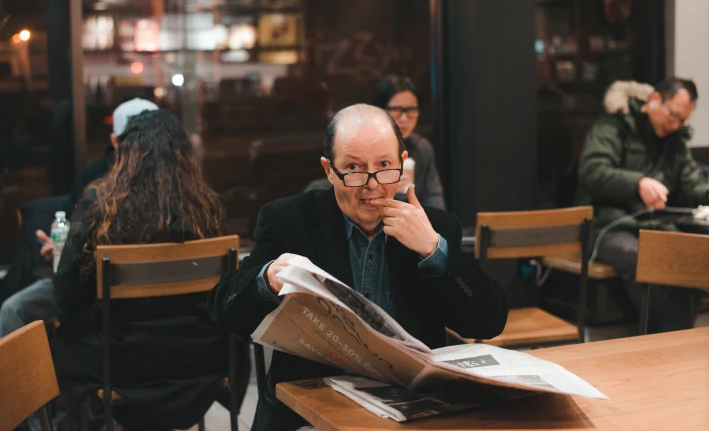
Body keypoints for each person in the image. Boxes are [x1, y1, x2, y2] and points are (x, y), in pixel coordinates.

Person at [209, 104, 508, 431]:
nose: (372, 185)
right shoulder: (290, 221)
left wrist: (434, 250)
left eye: (384, 166)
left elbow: (489, 321)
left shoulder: (433, 226)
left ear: (401, 163)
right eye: (354, 168)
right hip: (315, 406)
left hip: (411, 407)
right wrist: (266, 279)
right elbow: (224, 309)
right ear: (329, 170)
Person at [53, 110, 247, 431]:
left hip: (122, 365)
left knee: (67, 337)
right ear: (185, 155)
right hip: (201, 363)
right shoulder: (207, 210)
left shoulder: (100, 208)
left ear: (124, 155)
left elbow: (66, 295)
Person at [0, 98, 159, 341]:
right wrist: (57, 249)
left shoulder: (173, 183)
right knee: (15, 309)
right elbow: (72, 238)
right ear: (114, 142)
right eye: (133, 140)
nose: (141, 149)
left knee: (17, 309)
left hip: (127, 296)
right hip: (106, 291)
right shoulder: (95, 178)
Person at [576, 78, 709, 332]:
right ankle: (660, 339)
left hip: (654, 224)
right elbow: (592, 172)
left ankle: (676, 339)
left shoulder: (675, 139)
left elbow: (690, 180)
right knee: (644, 258)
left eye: (682, 120)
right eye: (672, 115)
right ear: (654, 100)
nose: (675, 125)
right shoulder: (614, 125)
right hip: (609, 224)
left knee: (694, 255)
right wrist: (638, 183)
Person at [373, 75, 446, 210]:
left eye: (411, 110)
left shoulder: (421, 148)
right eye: (396, 110)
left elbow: (434, 197)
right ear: (380, 110)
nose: (404, 118)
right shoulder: (366, 146)